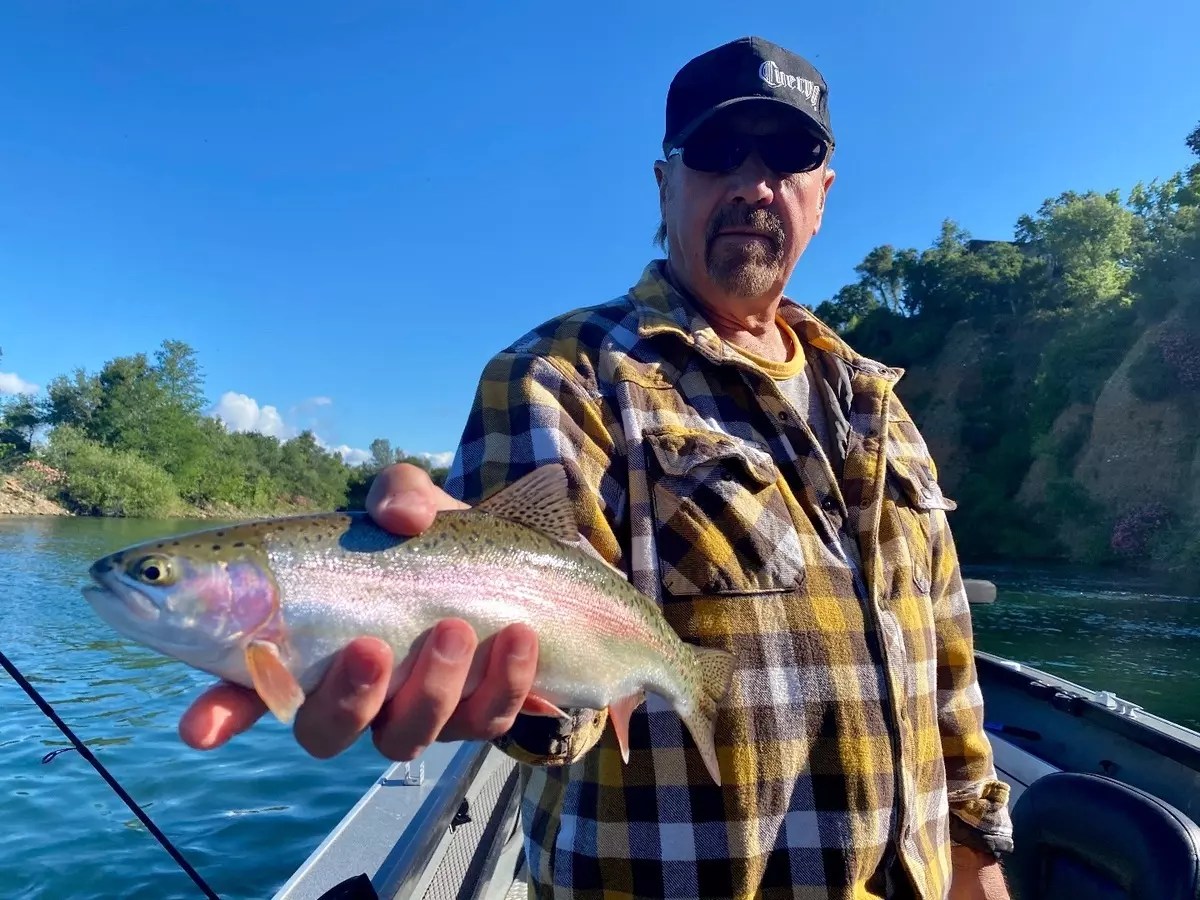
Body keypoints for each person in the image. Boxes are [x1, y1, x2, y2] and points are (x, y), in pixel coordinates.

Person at [179, 36, 1014, 900]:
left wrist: (978, 855)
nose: (753, 183)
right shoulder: (559, 375)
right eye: (719, 151)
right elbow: (561, 697)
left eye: (790, 155)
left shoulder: (881, 406)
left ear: (822, 193)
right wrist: (473, 631)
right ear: (666, 184)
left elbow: (946, 665)